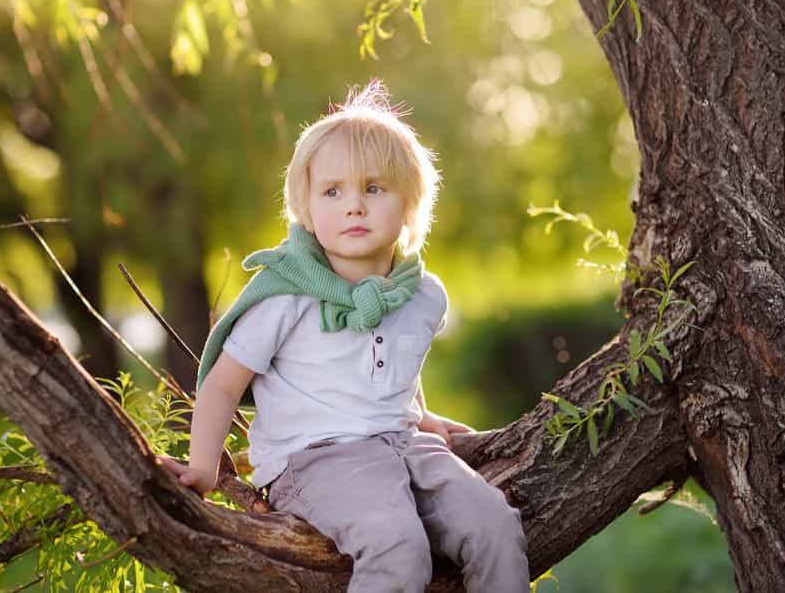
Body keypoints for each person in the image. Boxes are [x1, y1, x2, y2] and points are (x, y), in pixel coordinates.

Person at [157, 80, 529, 592]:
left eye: (374, 189)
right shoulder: (286, 296)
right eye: (334, 191)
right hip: (314, 460)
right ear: (307, 210)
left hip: (402, 444)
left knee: (495, 527)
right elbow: (222, 384)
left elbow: (399, 362)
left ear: (410, 205)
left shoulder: (422, 295)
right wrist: (202, 468)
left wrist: (422, 415)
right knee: (398, 545)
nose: (354, 206)